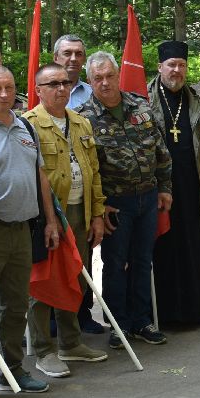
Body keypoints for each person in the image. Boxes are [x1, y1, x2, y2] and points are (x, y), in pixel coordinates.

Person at [0, 64, 61, 393]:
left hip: (23, 231)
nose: (4, 95)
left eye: (9, 88)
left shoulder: (25, 129)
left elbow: (40, 178)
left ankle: (11, 370)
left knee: (16, 306)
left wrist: (49, 221)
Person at [80, 51, 172, 345]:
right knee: (115, 263)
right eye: (98, 78)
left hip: (147, 197)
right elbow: (88, 170)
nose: (105, 83)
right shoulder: (84, 118)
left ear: (118, 75)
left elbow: (161, 151)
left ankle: (142, 320)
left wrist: (165, 188)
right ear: (89, 81)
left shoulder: (140, 105)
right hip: (115, 204)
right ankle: (119, 324)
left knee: (143, 260)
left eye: (109, 76)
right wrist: (99, 206)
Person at [24, 62, 109, 365]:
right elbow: (31, 175)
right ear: (38, 90)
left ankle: (71, 344)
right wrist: (47, 219)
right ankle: (43, 351)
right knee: (43, 283)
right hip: (46, 218)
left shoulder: (81, 122)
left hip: (79, 212)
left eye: (64, 83)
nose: (61, 89)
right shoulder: (27, 123)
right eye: (52, 84)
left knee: (74, 278)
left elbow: (94, 172)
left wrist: (97, 214)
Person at [147, 41, 200, 326]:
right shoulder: (144, 99)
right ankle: (165, 314)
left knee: (191, 244)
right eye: (171, 65)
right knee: (164, 247)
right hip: (159, 187)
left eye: (181, 65)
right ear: (160, 67)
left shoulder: (197, 101)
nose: (176, 71)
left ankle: (193, 311)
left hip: (192, 185)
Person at [54, 34, 94, 111]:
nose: (73, 59)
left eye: (79, 54)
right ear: (56, 58)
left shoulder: (94, 94)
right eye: (67, 53)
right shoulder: (41, 93)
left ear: (84, 59)